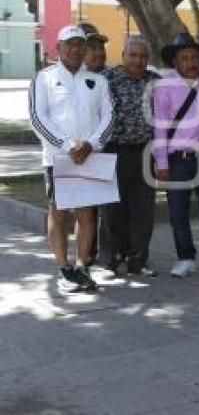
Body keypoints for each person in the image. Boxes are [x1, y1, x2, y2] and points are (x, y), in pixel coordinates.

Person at [28, 25, 114, 293]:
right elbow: (37, 118)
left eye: (80, 44)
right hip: (58, 158)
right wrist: (67, 146)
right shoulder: (43, 78)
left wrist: (91, 144)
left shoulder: (99, 81)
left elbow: (109, 117)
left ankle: (81, 266)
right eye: (70, 44)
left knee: (87, 213)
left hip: (90, 156)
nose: (76, 49)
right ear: (59, 48)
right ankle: (63, 268)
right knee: (59, 212)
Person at [153, 32, 199, 280]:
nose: (190, 62)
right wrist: (161, 161)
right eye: (184, 58)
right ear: (175, 61)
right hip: (177, 159)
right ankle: (186, 257)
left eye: (195, 57)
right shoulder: (164, 86)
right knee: (177, 211)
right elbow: (160, 127)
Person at [103, 35, 160, 277]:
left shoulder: (156, 82)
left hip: (145, 153)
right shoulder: (107, 80)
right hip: (113, 151)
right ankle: (112, 258)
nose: (138, 61)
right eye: (133, 55)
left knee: (143, 210)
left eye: (143, 56)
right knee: (112, 209)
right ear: (123, 54)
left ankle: (139, 260)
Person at [79, 22, 109, 265]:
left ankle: (107, 253)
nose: (98, 53)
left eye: (100, 48)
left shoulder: (111, 76)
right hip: (77, 152)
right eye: (92, 48)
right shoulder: (68, 79)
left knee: (106, 207)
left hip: (107, 151)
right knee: (82, 205)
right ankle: (85, 253)